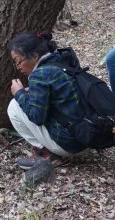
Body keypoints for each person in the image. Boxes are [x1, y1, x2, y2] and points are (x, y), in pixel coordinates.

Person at [7, 30, 86, 183]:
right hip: (88, 136)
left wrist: (19, 93)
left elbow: (37, 117)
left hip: (70, 145)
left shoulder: (40, 75)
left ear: (35, 56)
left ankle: (48, 153)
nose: (17, 66)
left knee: (14, 106)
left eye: (18, 60)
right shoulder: (62, 59)